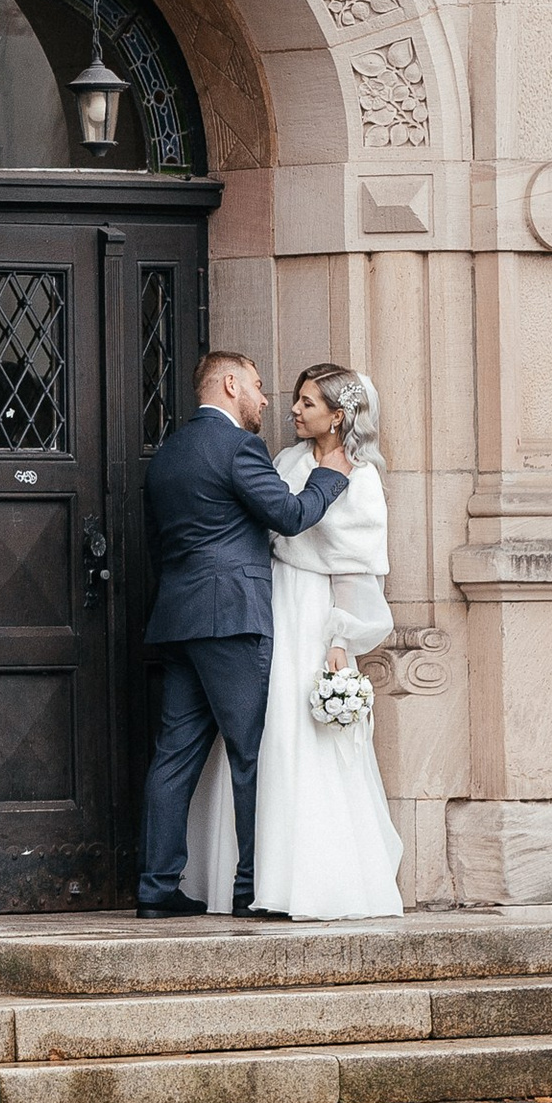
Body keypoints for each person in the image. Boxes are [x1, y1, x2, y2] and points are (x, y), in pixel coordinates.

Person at [185, 365, 405, 921]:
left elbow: (357, 566)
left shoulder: (362, 477)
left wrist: (341, 639)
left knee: (303, 734)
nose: (294, 410)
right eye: (296, 400)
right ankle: (251, 875)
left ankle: (309, 878)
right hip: (271, 601)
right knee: (260, 727)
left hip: (315, 614)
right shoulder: (285, 461)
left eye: (308, 403)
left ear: (338, 415)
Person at [133, 349, 335, 918]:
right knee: (250, 753)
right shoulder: (238, 447)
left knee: (173, 757)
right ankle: (251, 888)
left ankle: (156, 888)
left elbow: (159, 546)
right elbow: (289, 515)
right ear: (229, 384)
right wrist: (330, 478)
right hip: (232, 620)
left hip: (179, 619)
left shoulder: (168, 453)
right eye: (258, 385)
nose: (266, 400)